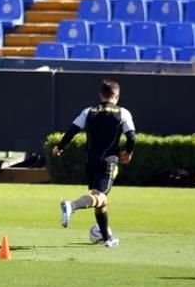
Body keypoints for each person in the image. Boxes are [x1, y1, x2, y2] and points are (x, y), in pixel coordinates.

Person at [51, 79, 136, 249]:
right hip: (108, 161)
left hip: (90, 161)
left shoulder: (89, 111)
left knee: (100, 201)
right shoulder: (123, 112)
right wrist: (128, 152)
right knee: (101, 197)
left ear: (101, 95)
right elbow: (132, 136)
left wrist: (59, 147)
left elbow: (72, 130)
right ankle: (72, 205)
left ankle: (107, 239)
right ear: (117, 96)